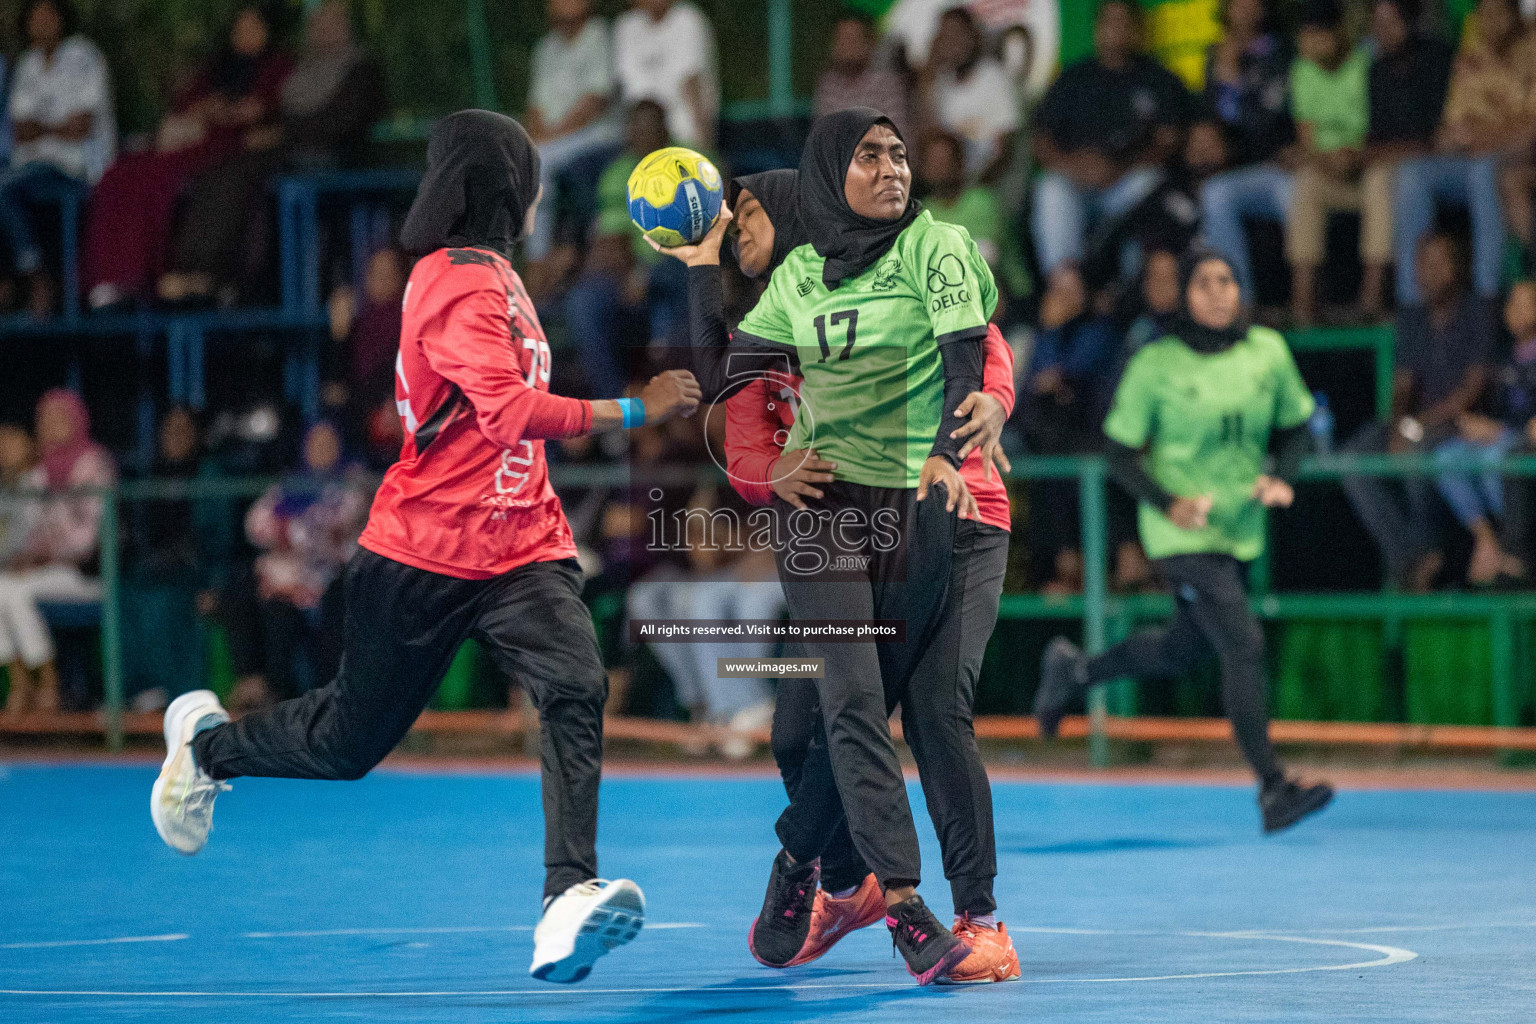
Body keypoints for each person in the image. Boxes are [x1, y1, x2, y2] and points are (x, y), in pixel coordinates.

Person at [148, 110, 703, 986]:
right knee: (346, 743)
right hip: (424, 552)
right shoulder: (449, 280)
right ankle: (208, 751)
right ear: (498, 188)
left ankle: (566, 899)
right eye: (528, 178)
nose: (538, 194)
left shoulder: (504, 277)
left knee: (574, 683)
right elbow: (510, 414)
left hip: (522, 542)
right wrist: (636, 410)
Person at [656, 108, 991, 985]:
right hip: (825, 518)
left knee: (845, 714)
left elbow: (978, 363)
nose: (892, 167)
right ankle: (876, 895)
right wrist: (697, 268)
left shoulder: (933, 250)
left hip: (920, 515)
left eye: (899, 150)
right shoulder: (796, 282)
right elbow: (722, 391)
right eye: (869, 155)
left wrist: (954, 450)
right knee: (817, 717)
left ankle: (821, 872)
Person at [1035, 247, 1334, 834]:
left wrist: (1282, 477)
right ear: (1186, 295)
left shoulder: (1267, 351)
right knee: (1242, 644)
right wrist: (1168, 502)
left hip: (1237, 530)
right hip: (1179, 532)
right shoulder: (1157, 363)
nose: (1218, 291)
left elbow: (1298, 427)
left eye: (1228, 280)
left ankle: (1075, 671)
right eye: (1204, 282)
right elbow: (1119, 453)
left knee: (1186, 648)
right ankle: (1273, 788)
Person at [163, 0, 387, 304]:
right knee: (226, 175)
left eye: (332, 19)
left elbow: (339, 122)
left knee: (245, 178)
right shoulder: (301, 69)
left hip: (328, 162)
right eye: (319, 20)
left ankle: (223, 278)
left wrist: (281, 133)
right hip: (286, 157)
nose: (323, 27)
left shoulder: (360, 69)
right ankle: (200, 271)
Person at [83, 4, 292, 309]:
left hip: (227, 147)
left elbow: (263, 112)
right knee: (121, 173)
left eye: (254, 28)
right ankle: (111, 277)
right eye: (241, 28)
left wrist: (227, 113)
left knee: (158, 181)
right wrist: (204, 111)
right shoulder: (216, 68)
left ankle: (143, 274)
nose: (246, 35)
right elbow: (187, 107)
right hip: (192, 140)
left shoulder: (278, 68)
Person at [1342, 233, 1494, 590]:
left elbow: (1470, 393)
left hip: (1458, 424)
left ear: (1460, 268)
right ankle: (1408, 555)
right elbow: (1402, 386)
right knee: (1352, 458)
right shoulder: (1412, 318)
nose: (1431, 272)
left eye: (1440, 263)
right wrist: (1398, 425)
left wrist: (1413, 427)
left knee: (1417, 448)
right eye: (1424, 264)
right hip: (1414, 422)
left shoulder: (1477, 313)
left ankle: (1429, 550)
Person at [1031, 0, 1192, 278]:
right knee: (1050, 189)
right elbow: (1042, 140)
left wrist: (1118, 169)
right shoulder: (1073, 77)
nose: (1116, 30)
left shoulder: (1159, 79)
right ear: (1097, 29)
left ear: (1138, 31)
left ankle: (1132, 289)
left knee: (1151, 183)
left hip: (1126, 182)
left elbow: (1169, 141)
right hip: (1077, 182)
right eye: (1109, 22)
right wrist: (1073, 167)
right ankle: (1065, 286)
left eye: (1124, 22)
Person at [1392, 0, 1532, 308]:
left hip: (1514, 160)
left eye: (1497, 13)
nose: (1488, 22)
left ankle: (1487, 295)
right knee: (1412, 174)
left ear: (1515, 15)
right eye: (1483, 14)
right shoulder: (1472, 52)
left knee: (1484, 171)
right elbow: (1452, 122)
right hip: (1468, 160)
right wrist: (1449, 138)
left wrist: (1485, 138)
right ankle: (1412, 302)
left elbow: (1531, 131)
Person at [0, 389, 115, 716]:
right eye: (44, 419)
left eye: (58, 418)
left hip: (87, 574)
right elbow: (28, 531)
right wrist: (26, 557)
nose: (50, 425)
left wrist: (44, 555)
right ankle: (21, 681)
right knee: (2, 587)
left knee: (18, 592)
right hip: (48, 572)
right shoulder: (38, 473)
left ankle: (48, 683)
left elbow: (88, 538)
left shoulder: (93, 463)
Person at [564, 99, 687, 398]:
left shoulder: (692, 162)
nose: (642, 136)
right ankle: (620, 408)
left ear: (665, 130)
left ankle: (678, 408)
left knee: (673, 282)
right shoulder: (619, 172)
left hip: (682, 265)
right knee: (584, 300)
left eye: (650, 128)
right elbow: (613, 237)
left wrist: (645, 274)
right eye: (636, 128)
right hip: (631, 271)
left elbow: (705, 232)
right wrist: (631, 272)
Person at [0, 0, 113, 317]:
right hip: (29, 166)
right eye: (35, 19)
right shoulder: (28, 64)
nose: (42, 25)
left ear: (61, 19)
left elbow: (81, 127)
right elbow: (20, 131)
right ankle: (10, 279)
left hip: (74, 166)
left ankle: (36, 277)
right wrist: (56, 126)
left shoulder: (84, 56)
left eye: (48, 17)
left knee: (3, 187)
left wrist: (41, 127)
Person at [1430, 280, 1536, 585]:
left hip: (1521, 443)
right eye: (1512, 303)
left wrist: (1499, 430)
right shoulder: (1504, 357)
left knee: (1498, 459)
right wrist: (1480, 426)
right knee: (1447, 456)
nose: (1515, 312)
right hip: (1501, 436)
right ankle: (1487, 540)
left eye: (1525, 304)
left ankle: (1511, 547)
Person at [1285, 0, 1385, 324]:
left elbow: (1384, 128)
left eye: (1320, 33)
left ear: (1339, 32)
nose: (1313, 42)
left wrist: (1355, 158)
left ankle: (1370, 299)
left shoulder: (1367, 64)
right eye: (1308, 34)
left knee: (1379, 181)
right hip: (1329, 171)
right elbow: (1307, 139)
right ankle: (1303, 303)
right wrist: (1329, 162)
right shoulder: (1302, 71)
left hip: (1368, 168)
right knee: (1306, 183)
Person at [1196, 0, 1297, 300]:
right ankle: (1239, 302)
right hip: (1238, 171)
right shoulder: (1216, 55)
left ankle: (1307, 297)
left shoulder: (1283, 53)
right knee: (1214, 193)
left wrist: (1234, 82)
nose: (1245, 7)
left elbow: (1272, 120)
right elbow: (1210, 126)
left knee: (1293, 195)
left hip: (1282, 167)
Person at [525, 0, 620, 262]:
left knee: (539, 160)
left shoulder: (599, 36)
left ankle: (538, 257)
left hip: (598, 134)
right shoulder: (545, 48)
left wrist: (548, 137)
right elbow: (536, 106)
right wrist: (538, 135)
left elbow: (594, 104)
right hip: (555, 140)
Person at [920, 128, 1028, 301]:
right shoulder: (921, 216)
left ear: (959, 163)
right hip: (953, 304)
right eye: (933, 161)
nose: (939, 166)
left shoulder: (983, 201)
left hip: (1008, 297)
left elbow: (987, 258)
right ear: (923, 168)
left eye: (945, 160)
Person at [917, 7, 1018, 181]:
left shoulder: (994, 77)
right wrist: (930, 68)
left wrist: (971, 188)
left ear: (974, 37)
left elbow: (1005, 149)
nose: (952, 43)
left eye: (958, 35)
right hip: (947, 186)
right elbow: (928, 139)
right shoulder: (940, 80)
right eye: (946, 36)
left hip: (984, 182)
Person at [613, 0, 717, 150]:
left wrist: (704, 144)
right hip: (640, 138)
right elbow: (627, 90)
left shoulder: (688, 18)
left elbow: (692, 83)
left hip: (682, 135)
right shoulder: (626, 25)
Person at [813, 13, 912, 142]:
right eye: (842, 39)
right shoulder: (828, 85)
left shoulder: (887, 84)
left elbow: (896, 136)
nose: (847, 46)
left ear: (868, 44)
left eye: (853, 39)